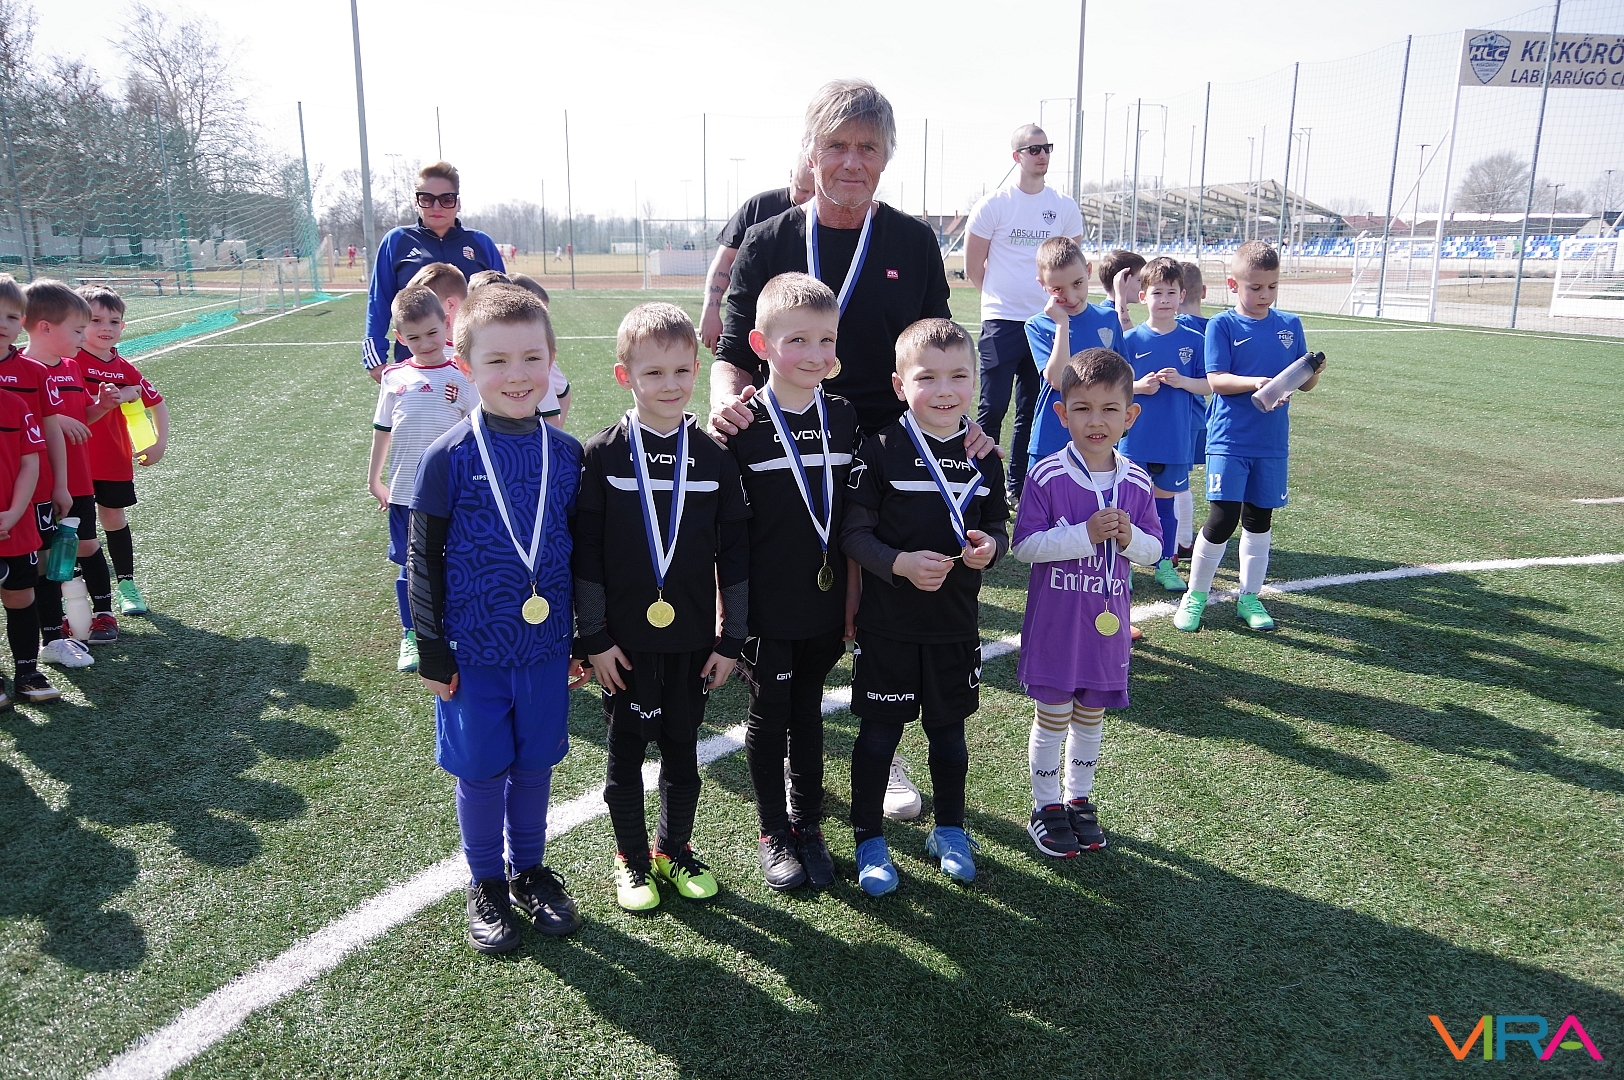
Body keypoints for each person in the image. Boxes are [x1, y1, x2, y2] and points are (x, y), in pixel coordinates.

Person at [408, 284, 585, 954]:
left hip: (544, 648)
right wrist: (431, 646)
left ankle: (529, 870)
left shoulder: (566, 454)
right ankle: (485, 881)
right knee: (481, 771)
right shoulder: (446, 457)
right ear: (465, 365)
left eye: (532, 358)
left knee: (536, 765)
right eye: (498, 360)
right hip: (472, 652)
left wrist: (580, 637)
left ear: (551, 361)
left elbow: (579, 553)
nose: (518, 375)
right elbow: (422, 557)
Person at [574, 303, 750, 912]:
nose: (669, 385)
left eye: (680, 371)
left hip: (694, 641)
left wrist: (731, 639)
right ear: (624, 376)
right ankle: (630, 858)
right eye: (653, 373)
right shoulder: (602, 454)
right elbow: (586, 555)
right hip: (623, 644)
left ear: (697, 369)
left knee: (682, 752)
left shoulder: (715, 458)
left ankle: (673, 851)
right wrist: (594, 638)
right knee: (625, 755)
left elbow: (735, 555)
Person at [839, 318, 1008, 895]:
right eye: (927, 377)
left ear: (975, 381)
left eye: (959, 376)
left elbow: (996, 526)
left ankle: (950, 830)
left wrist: (990, 548)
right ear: (899, 385)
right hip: (888, 627)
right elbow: (854, 534)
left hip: (954, 626)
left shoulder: (983, 455)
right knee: (878, 738)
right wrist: (900, 564)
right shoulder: (880, 450)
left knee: (949, 737)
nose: (944, 390)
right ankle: (868, 838)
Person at [710, 79, 951, 438]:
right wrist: (725, 401)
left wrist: (960, 424)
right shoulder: (765, 242)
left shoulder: (915, 242)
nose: (852, 163)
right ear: (810, 154)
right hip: (787, 440)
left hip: (889, 441)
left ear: (885, 158)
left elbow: (940, 352)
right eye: (836, 146)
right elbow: (735, 355)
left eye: (868, 148)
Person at [725, 273, 856, 891]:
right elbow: (722, 533)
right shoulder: (739, 426)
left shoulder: (844, 417)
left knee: (808, 712)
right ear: (761, 344)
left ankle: (807, 824)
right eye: (797, 340)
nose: (814, 354)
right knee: (770, 713)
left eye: (826, 340)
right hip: (765, 605)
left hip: (824, 602)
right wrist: (730, 612)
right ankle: (773, 830)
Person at [1013, 348, 1162, 858]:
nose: (1095, 421)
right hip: (1057, 625)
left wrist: (1129, 538)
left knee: (1091, 714)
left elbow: (1154, 551)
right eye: (1082, 409)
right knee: (1053, 715)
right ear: (1062, 413)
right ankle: (1045, 805)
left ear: (1130, 415)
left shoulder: (1137, 481)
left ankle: (1078, 798)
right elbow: (1024, 546)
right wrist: (1084, 534)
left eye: (1109, 409)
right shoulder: (1047, 476)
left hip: (1106, 627)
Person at [1175, 241, 1326, 633]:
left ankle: (1250, 597)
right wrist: (1255, 383)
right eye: (1255, 287)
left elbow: (1303, 383)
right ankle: (1195, 595)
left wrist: (1312, 373)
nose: (1265, 295)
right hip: (1229, 439)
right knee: (1223, 518)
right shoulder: (1222, 325)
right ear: (1233, 285)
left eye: (1272, 286)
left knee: (1259, 520)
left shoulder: (1290, 325)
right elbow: (1216, 380)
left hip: (1271, 443)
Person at [964, 124, 1084, 502]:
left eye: (1047, 148)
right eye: (1033, 149)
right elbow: (974, 267)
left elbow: (1072, 266)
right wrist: (1002, 300)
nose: (1042, 155)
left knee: (1033, 410)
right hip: (1001, 321)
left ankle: (1017, 487)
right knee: (992, 406)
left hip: (1047, 323)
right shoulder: (994, 204)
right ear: (1016, 156)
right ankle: (980, 485)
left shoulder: (1064, 207)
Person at [369, 285, 477, 673]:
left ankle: (456, 627)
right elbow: (382, 430)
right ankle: (412, 633)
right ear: (400, 338)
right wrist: (374, 479)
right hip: (404, 492)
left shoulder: (463, 374)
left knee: (455, 560)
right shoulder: (394, 376)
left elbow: (476, 433)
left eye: (432, 332)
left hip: (453, 493)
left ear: (446, 323)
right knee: (409, 565)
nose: (426, 343)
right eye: (414, 337)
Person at [362, 162, 504, 380]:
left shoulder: (481, 243)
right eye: (427, 199)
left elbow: (502, 302)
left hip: (475, 365)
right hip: (416, 370)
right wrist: (375, 360)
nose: (436, 207)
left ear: (458, 203)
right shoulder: (396, 241)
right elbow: (378, 302)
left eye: (446, 199)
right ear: (416, 202)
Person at [76, 286, 167, 620]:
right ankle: (73, 592)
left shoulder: (125, 368)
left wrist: (158, 443)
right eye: (96, 320)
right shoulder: (68, 362)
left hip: (113, 460)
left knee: (113, 518)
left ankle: (127, 586)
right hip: (73, 462)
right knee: (74, 527)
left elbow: (157, 403)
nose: (106, 327)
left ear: (123, 326)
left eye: (114, 321)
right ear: (78, 322)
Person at [1119, 257, 1209, 592]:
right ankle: (1123, 566)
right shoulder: (1131, 340)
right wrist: (1139, 387)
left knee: (1165, 504)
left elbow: (1209, 385)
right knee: (1127, 505)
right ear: (1143, 297)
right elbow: (1114, 388)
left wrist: (1183, 381)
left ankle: (1165, 564)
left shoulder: (1194, 341)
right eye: (1157, 293)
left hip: (1174, 440)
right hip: (1135, 439)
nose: (1165, 299)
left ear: (1182, 295)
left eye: (1171, 292)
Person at [19, 281, 95, 671]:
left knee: (45, 563)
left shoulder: (39, 373)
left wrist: (60, 484)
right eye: (78, 330)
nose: (84, 338)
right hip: (10, 489)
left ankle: (51, 639)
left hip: (39, 489)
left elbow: (50, 431)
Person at [1025, 238, 1125, 474]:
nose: (1070, 297)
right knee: (1044, 498)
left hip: (1098, 437)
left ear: (1089, 270)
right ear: (1042, 285)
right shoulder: (1038, 325)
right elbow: (1058, 380)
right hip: (1051, 436)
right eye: (1057, 290)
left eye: (1077, 283)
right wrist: (1062, 324)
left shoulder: (1108, 319)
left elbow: (1124, 374)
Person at [699, 162, 817, 352]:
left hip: (810, 325)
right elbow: (726, 258)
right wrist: (710, 311)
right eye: (802, 190)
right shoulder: (759, 207)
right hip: (757, 320)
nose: (809, 199)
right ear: (790, 176)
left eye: (817, 191)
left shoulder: (835, 216)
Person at [0, 274, 50, 703]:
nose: (3, 323)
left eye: (12, 316)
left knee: (20, 596)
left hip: (13, 523)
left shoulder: (16, 403)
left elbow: (30, 462)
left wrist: (15, 513)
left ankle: (28, 672)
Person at [1173, 260, 1210, 557]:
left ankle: (1183, 540)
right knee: (1180, 479)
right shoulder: (1214, 327)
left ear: (1179, 294)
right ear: (1204, 291)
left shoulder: (1181, 328)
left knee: (1174, 481)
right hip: (1201, 415)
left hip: (1180, 416)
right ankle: (1182, 538)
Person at [404, 263, 470, 362]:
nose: (418, 313)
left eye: (424, 306)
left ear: (450, 304)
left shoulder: (483, 343)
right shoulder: (426, 349)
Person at [1096, 249, 1146, 332]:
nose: (1144, 285)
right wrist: (1121, 296)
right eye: (1139, 280)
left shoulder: (1108, 310)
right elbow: (1128, 338)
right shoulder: (1107, 314)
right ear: (1121, 280)